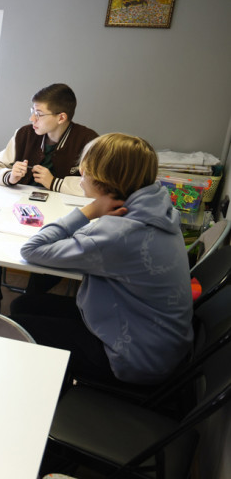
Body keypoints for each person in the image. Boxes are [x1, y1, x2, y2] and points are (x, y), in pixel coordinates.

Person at [10, 133, 193, 385]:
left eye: (85, 170)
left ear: (103, 179)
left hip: (133, 359)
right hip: (157, 341)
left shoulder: (118, 234)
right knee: (25, 304)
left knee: (15, 328)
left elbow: (32, 249)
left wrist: (88, 211)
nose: (81, 175)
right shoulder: (155, 208)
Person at [0, 83, 98, 311]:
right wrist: (9, 176)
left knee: (51, 251)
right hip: (20, 211)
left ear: (61, 117)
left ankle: (29, 302)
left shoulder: (88, 141)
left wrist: (55, 183)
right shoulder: (25, 134)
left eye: (39, 113)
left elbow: (98, 185)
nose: (32, 119)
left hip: (62, 218)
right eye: (32, 111)